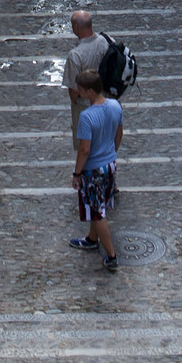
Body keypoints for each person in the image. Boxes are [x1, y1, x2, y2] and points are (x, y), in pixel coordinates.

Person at [70, 71, 123, 271]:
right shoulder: (115, 106)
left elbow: (84, 150)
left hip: (93, 169)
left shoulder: (87, 117)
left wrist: (77, 173)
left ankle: (111, 255)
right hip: (110, 164)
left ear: (89, 91)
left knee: (97, 211)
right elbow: (119, 133)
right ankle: (92, 239)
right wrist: (111, 153)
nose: (78, 92)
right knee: (98, 205)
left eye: (81, 90)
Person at [63, 8, 109, 141]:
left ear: (76, 27)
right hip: (106, 101)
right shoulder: (106, 41)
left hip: (85, 106)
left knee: (86, 145)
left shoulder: (75, 55)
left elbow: (73, 91)